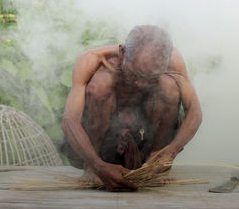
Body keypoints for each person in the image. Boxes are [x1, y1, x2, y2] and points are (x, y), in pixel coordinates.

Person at [61, 25, 202, 191]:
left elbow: (194, 110)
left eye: (151, 78)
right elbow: (69, 120)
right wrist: (97, 165)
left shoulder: (172, 60)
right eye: (135, 74)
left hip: (145, 138)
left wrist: (170, 151)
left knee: (169, 88)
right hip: (102, 148)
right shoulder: (91, 60)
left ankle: (155, 162)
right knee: (100, 85)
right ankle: (91, 168)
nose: (141, 84)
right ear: (122, 52)